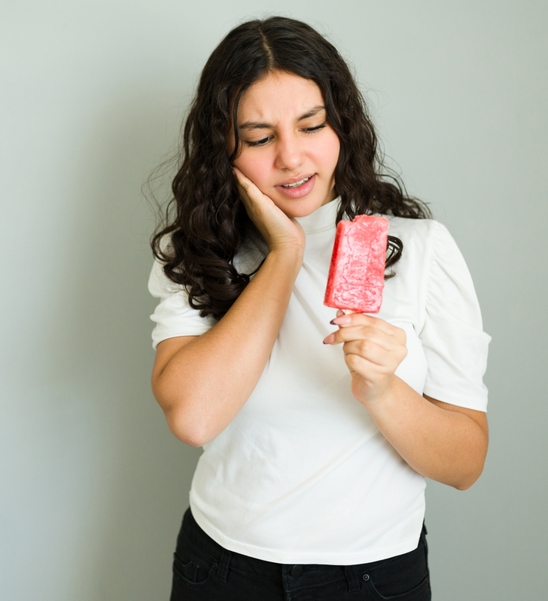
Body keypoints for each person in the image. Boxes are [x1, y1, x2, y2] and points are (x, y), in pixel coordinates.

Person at [147, 17, 490, 601]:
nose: (291, 156)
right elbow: (194, 418)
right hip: (225, 570)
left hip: (374, 577)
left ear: (342, 125)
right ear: (223, 148)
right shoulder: (201, 252)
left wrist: (384, 390)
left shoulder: (419, 249)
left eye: (311, 125)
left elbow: (465, 464)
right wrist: (285, 252)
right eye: (259, 137)